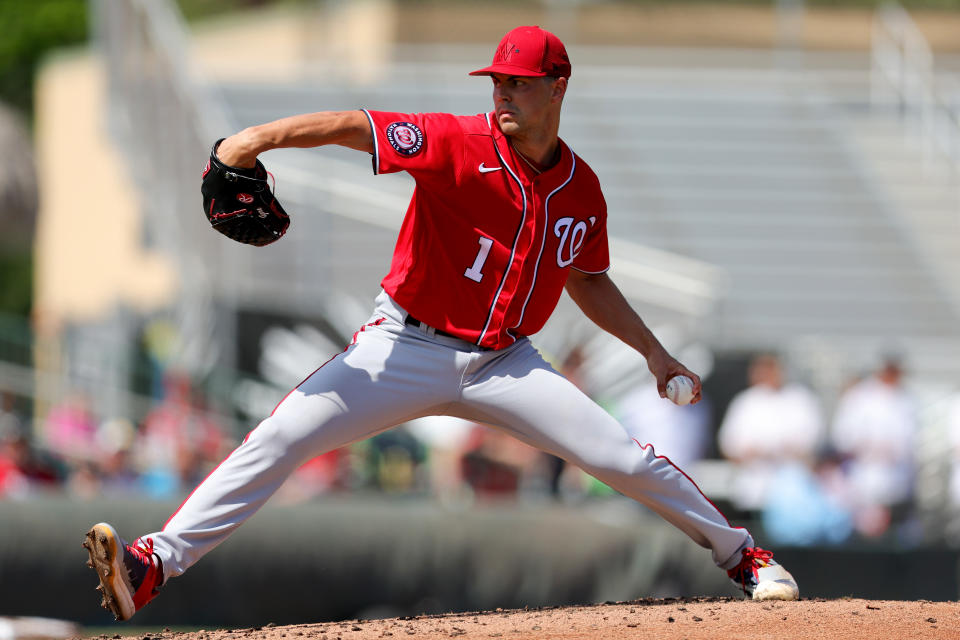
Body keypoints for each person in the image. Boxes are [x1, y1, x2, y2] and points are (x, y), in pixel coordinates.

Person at [82, 26, 798, 621]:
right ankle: (152, 565)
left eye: (518, 81)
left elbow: (586, 276)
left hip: (504, 364)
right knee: (280, 436)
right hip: (404, 345)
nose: (503, 93)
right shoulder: (455, 141)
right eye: (497, 82)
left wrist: (655, 353)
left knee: (623, 460)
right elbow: (352, 125)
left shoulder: (582, 188)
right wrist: (252, 140)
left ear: (558, 87)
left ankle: (745, 556)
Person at [717, 353, 825, 511]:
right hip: (754, 484)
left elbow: (813, 444)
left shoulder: (801, 399)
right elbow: (729, 447)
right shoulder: (745, 402)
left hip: (794, 486)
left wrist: (782, 450)